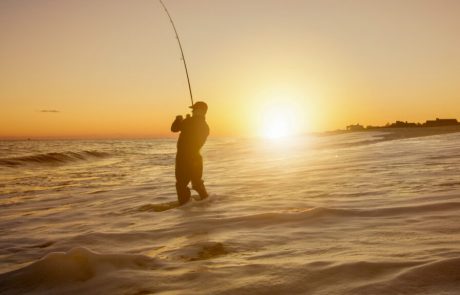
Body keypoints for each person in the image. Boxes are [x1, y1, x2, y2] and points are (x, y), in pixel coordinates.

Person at [171, 101, 210, 205]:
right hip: (196, 158)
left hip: (184, 158)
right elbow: (176, 129)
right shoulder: (205, 126)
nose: (192, 111)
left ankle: (185, 208)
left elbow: (174, 129)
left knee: (181, 185)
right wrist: (182, 121)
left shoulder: (190, 122)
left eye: (194, 109)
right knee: (197, 184)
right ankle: (207, 204)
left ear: (201, 111)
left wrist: (179, 120)